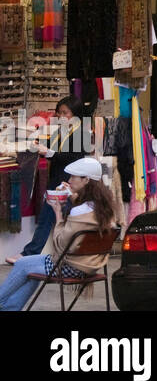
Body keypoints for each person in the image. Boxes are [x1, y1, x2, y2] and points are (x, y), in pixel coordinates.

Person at [0, 157, 115, 311]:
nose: (69, 180)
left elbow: (60, 244)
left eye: (74, 177)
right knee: (30, 266)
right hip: (91, 265)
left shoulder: (78, 211)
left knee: (22, 264)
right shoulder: (104, 208)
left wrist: (58, 213)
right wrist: (72, 197)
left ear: (86, 180)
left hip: (70, 266)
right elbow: (85, 215)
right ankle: (10, 308)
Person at [15, 98, 84, 262]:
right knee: (52, 218)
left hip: (68, 183)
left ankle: (31, 253)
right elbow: (58, 149)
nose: (61, 116)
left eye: (65, 113)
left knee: (55, 218)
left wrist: (49, 152)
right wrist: (39, 144)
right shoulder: (64, 131)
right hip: (59, 180)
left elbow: (74, 157)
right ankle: (38, 252)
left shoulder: (81, 133)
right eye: (59, 112)